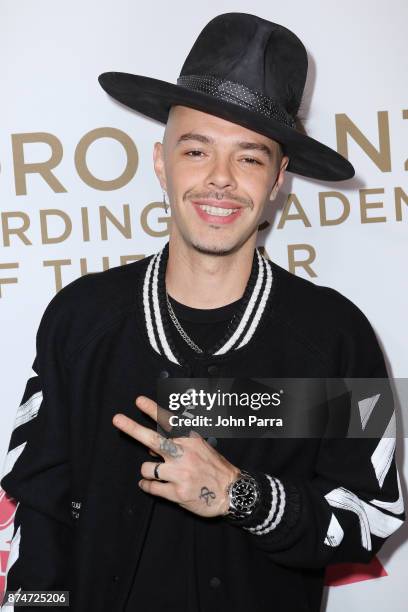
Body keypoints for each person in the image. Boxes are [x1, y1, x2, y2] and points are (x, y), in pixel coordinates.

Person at [1, 12, 405, 612]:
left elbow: (373, 513)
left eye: (248, 158)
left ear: (277, 180)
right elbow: (37, 509)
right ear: (161, 163)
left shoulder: (332, 336)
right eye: (196, 150)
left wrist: (243, 496)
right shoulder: (82, 320)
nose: (219, 180)